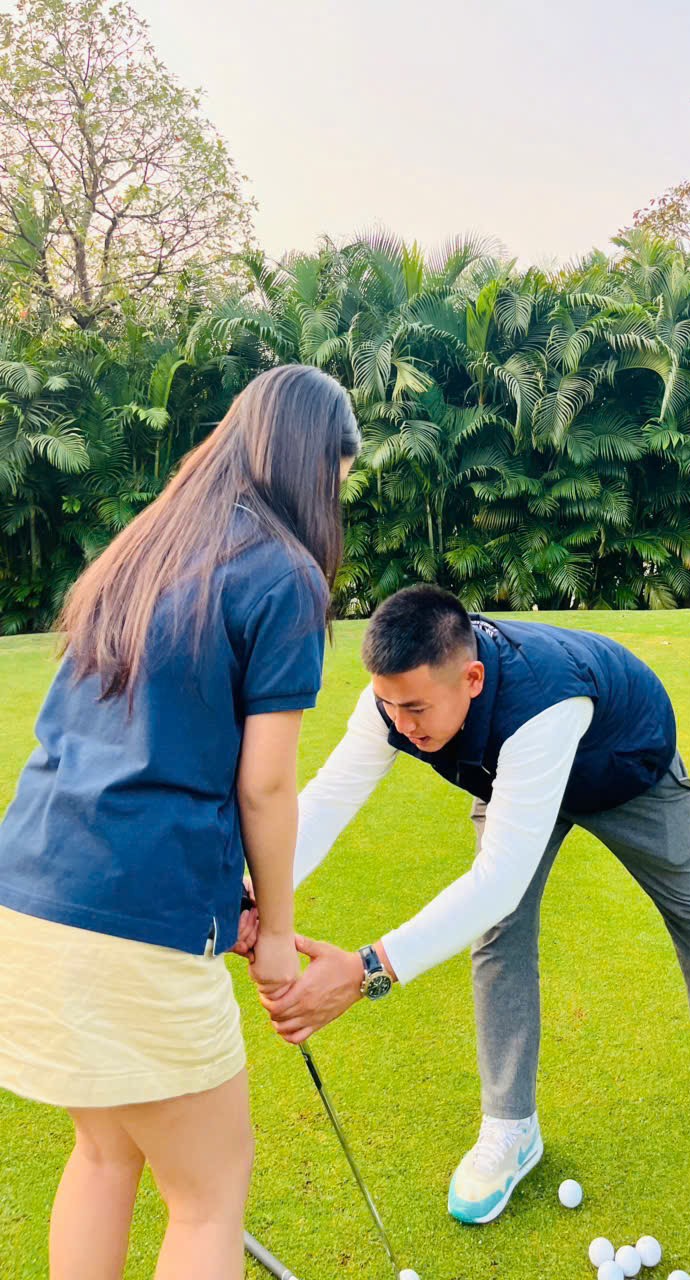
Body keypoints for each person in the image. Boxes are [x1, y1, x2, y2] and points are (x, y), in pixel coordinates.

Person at [262, 584, 690, 1226]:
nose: (401, 724)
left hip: (625, 766)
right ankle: (511, 1127)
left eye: (416, 708)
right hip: (511, 779)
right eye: (389, 705)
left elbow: (498, 880)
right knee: (499, 936)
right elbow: (327, 801)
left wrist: (367, 969)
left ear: (472, 679)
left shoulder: (542, 702)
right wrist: (257, 890)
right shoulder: (393, 703)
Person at [0, 365, 360, 1279]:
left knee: (104, 1155)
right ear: (313, 463)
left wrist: (224, 897)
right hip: (131, 921)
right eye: (339, 479)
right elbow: (265, 787)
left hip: (30, 895)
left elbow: (139, 748)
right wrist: (276, 938)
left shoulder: (144, 548)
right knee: (208, 1196)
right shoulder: (285, 574)